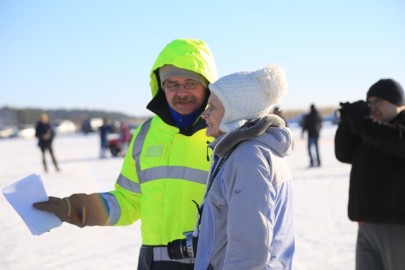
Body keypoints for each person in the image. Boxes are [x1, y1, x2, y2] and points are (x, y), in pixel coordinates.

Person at [33, 38, 218, 270]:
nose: (181, 92)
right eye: (172, 84)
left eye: (191, 83)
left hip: (212, 262)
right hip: (153, 263)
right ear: (161, 86)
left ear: (207, 85)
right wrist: (76, 208)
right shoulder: (146, 134)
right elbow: (129, 201)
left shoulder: (224, 134)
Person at [194, 65, 295, 269]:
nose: (205, 114)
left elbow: (249, 250)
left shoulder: (248, 157)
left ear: (235, 112)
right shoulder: (254, 151)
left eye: (212, 107)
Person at [335, 79, 405, 270]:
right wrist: (347, 123)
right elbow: (343, 154)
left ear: (397, 102)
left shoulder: (394, 129)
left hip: (397, 227)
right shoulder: (371, 129)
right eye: (370, 103)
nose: (373, 107)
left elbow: (394, 141)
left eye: (378, 102)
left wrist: (360, 122)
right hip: (366, 225)